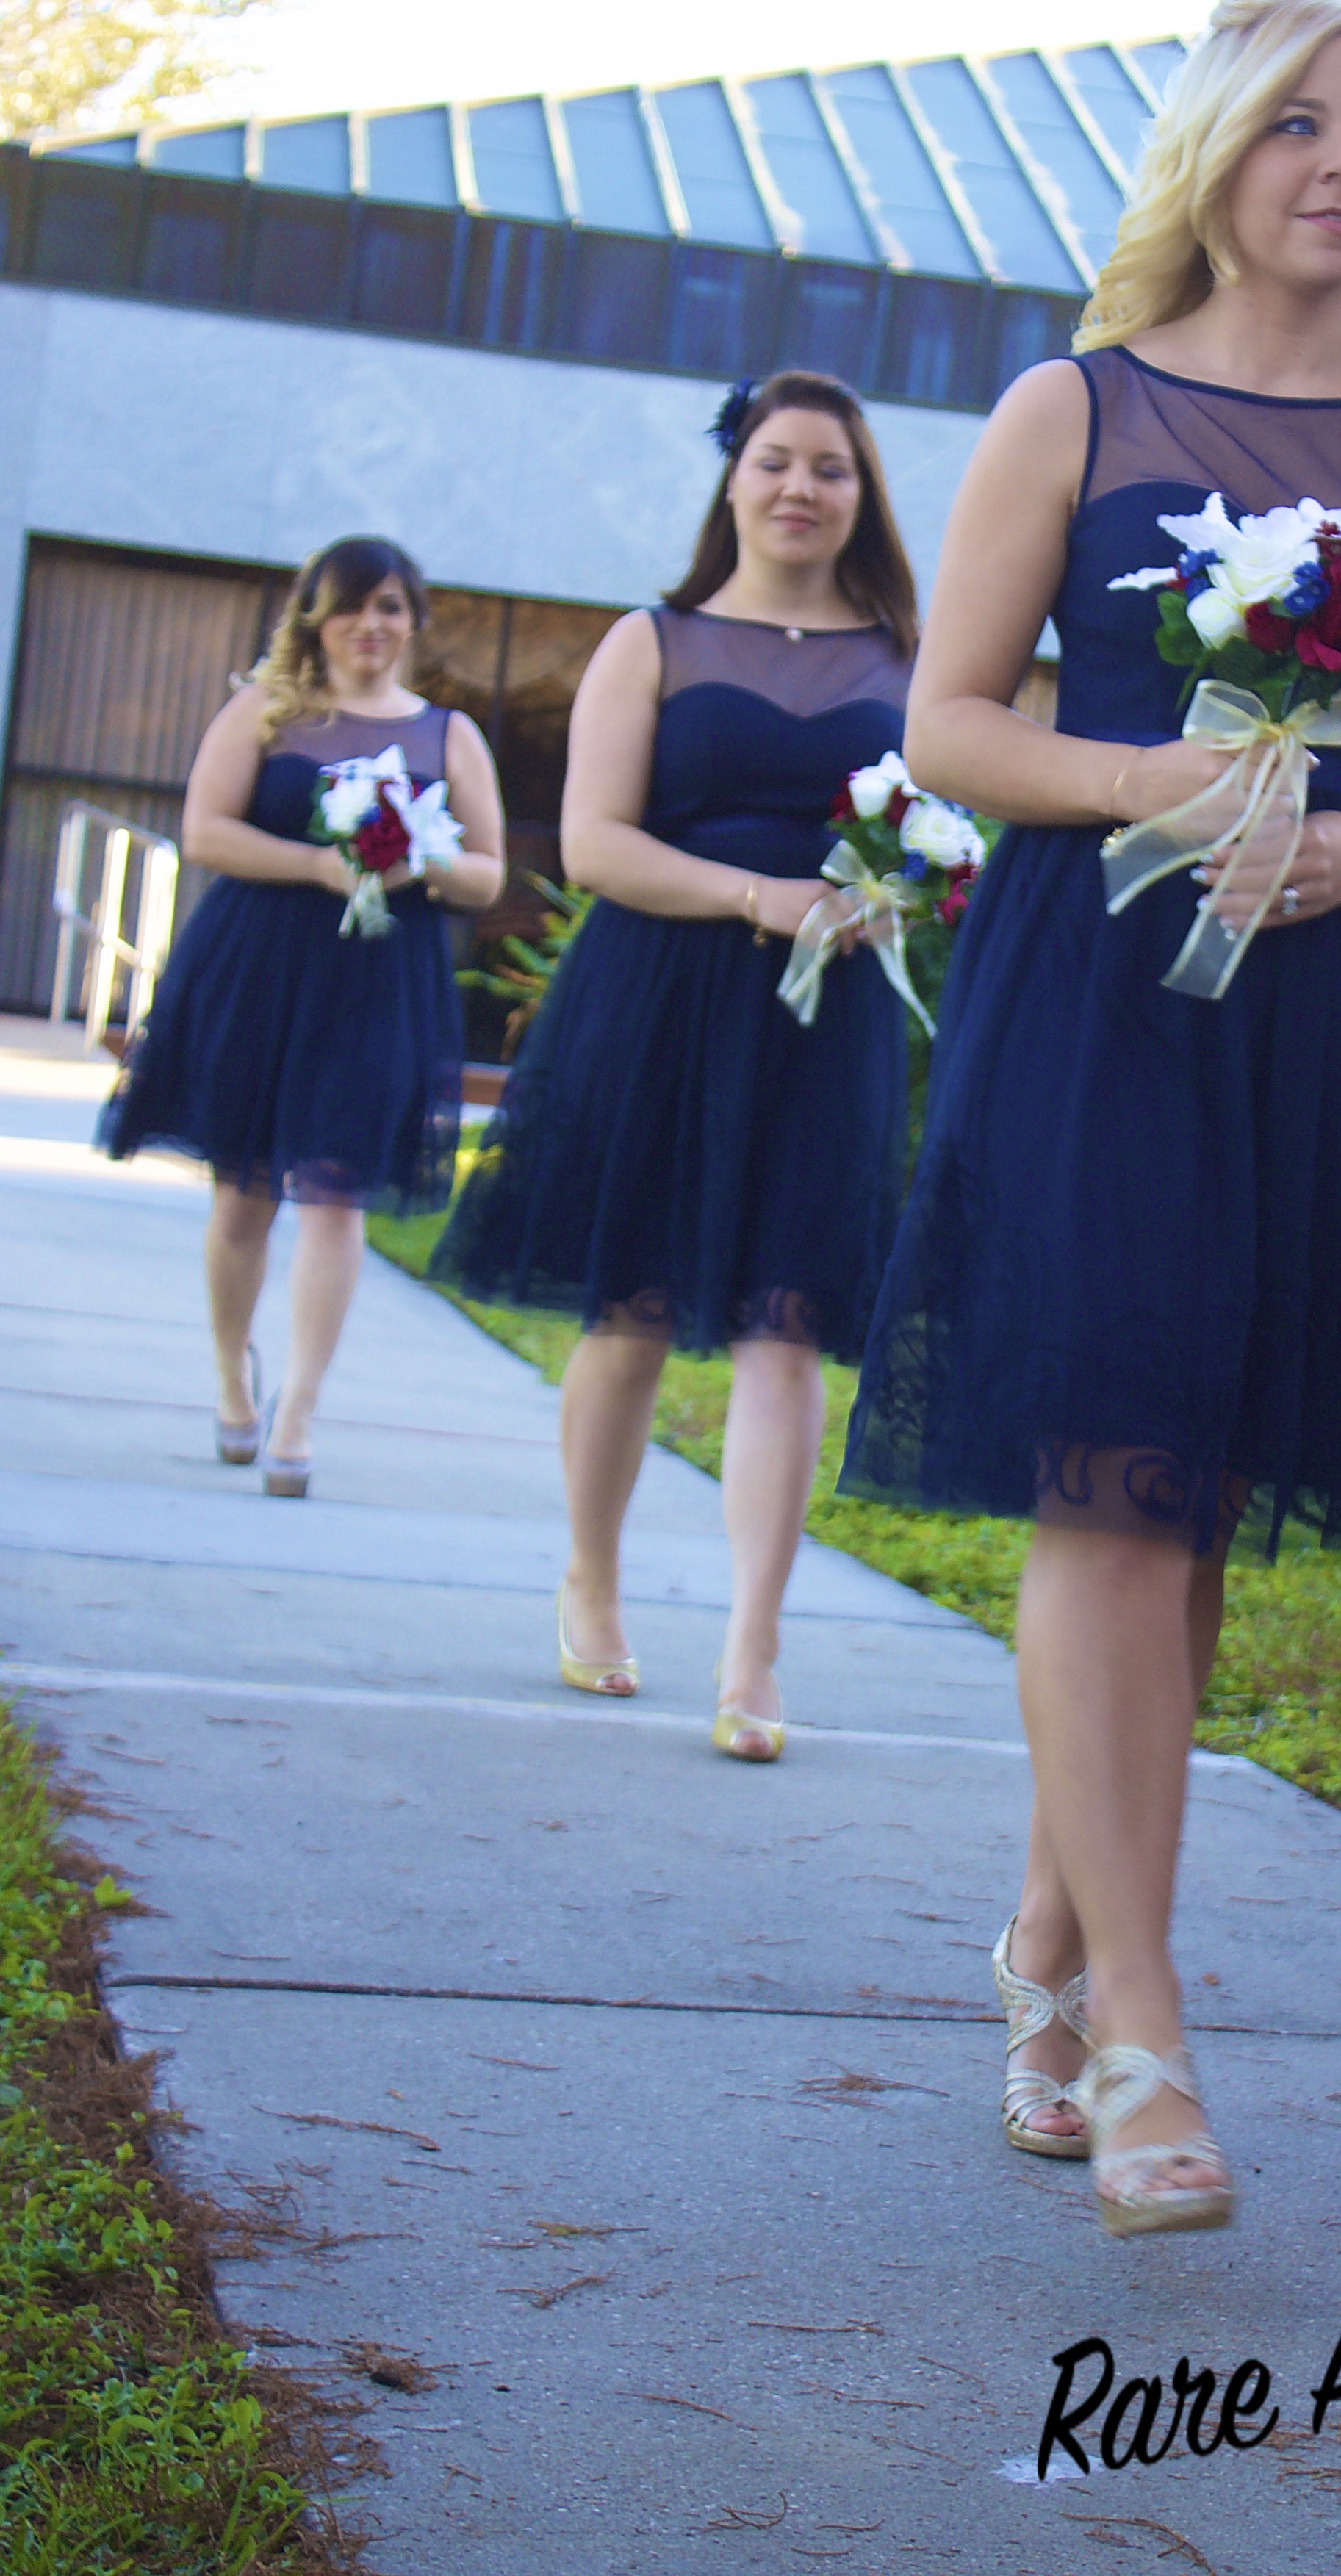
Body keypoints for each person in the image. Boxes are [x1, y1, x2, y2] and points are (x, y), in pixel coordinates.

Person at [840, 0, 1341, 2235]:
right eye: (1303, 124)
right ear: (1216, 157)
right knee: (1111, 1488)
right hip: (1099, 995)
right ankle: (1139, 2018)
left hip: (1322, 1013)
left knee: (1197, 1494)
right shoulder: (1079, 406)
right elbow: (949, 724)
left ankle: (1044, 1936)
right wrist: (1164, 778)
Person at [434, 371, 916, 1757]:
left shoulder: (907, 653)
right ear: (732, 479)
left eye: (830, 468)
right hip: (656, 997)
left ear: (860, 494)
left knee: (788, 1322)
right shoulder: (652, 640)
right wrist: (755, 898)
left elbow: (954, 809)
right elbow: (591, 845)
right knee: (629, 1309)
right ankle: (590, 1574)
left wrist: (916, 881)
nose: (800, 488)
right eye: (775, 461)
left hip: (827, 1016)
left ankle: (752, 1652)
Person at [101, 536, 506, 1492]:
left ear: (414, 622)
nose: (372, 626)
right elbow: (206, 831)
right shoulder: (265, 712)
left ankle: (298, 1411)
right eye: (351, 608)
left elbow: (489, 874)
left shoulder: (449, 735)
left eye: (391, 608)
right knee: (243, 1192)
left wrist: (420, 862)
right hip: (259, 969)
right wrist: (319, 864)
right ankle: (233, 1379)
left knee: (336, 1195)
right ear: (315, 619)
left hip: (379, 982)